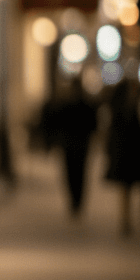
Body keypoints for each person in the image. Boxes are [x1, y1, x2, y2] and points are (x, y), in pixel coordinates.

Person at [52, 79, 97, 215]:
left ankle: (75, 201)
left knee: (73, 174)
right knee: (78, 174)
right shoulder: (82, 104)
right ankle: (76, 201)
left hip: (74, 144)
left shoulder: (69, 104)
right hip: (77, 144)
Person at [105, 77, 140, 235]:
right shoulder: (119, 108)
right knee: (125, 189)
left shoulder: (137, 106)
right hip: (126, 154)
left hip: (137, 153)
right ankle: (125, 219)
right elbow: (113, 132)